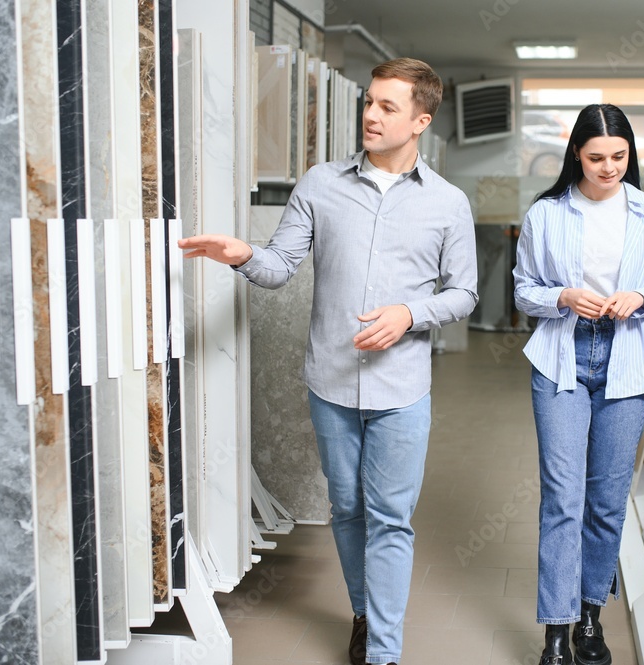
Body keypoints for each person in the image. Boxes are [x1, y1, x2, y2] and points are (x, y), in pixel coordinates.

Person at [179, 58, 478, 665]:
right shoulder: (320, 184)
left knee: (391, 519)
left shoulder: (449, 204)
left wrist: (408, 315)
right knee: (348, 510)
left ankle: (384, 653)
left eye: (387, 107)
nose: (370, 114)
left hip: (402, 391)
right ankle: (364, 612)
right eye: (369, 102)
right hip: (331, 385)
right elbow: (279, 267)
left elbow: (463, 292)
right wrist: (241, 254)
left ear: (420, 120)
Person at [513, 104, 644, 665]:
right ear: (575, 156)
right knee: (563, 497)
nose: (608, 167)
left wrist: (639, 298)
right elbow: (523, 290)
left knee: (608, 501)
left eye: (619, 157)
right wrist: (562, 296)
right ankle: (556, 632)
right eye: (595, 158)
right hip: (562, 355)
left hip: (627, 355)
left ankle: (590, 616)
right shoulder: (547, 213)